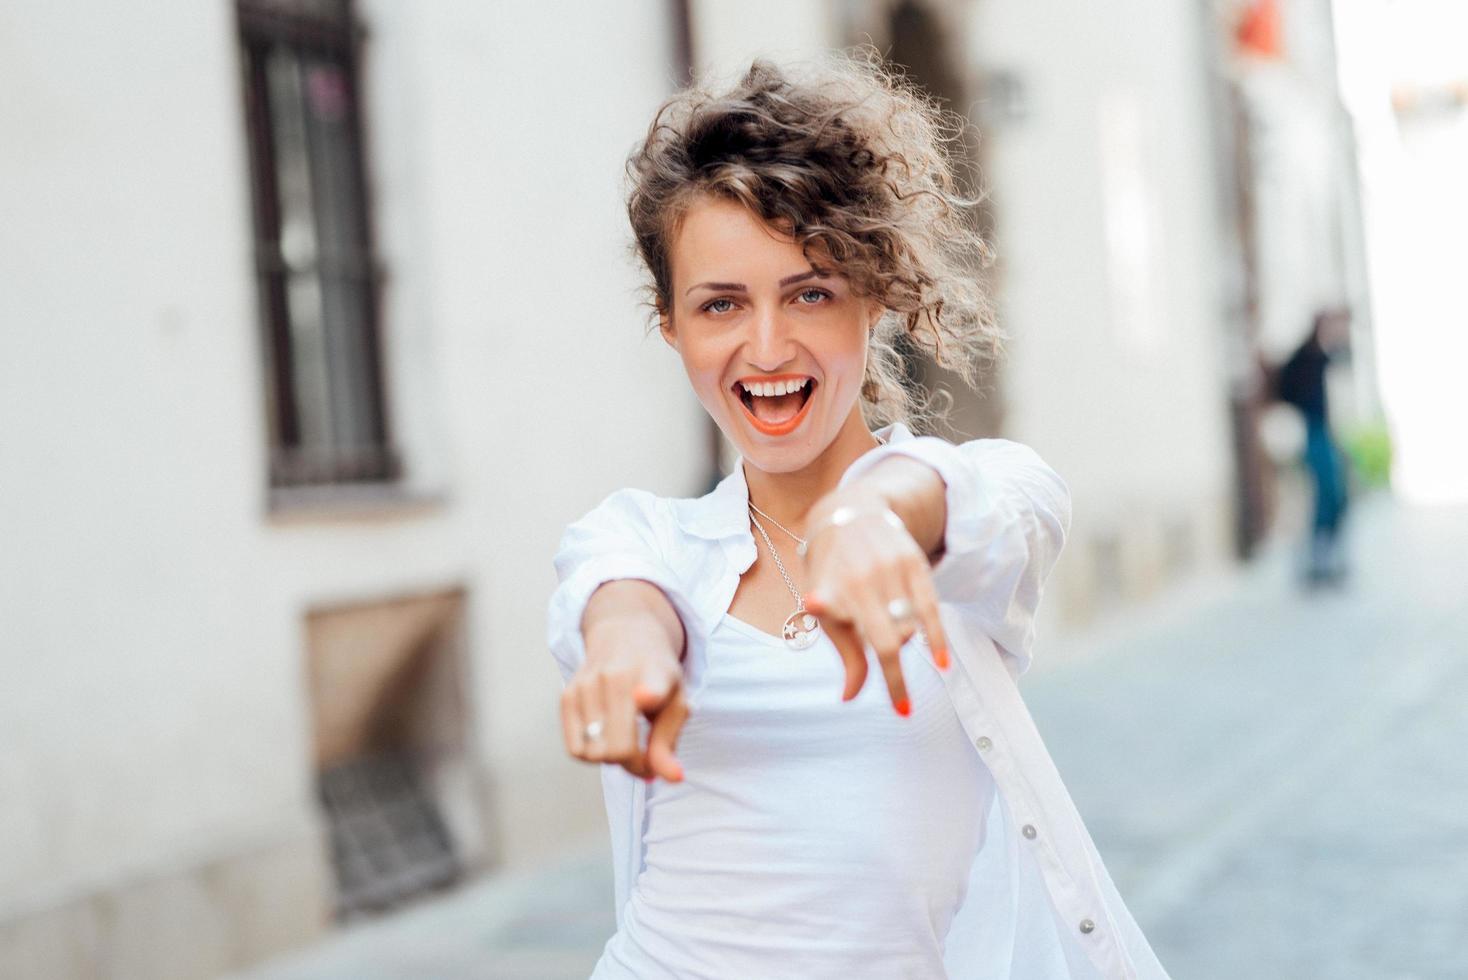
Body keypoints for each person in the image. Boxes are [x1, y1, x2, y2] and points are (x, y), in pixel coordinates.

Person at [547, 50, 1170, 979]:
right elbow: (620, 602)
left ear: (872, 296)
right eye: (721, 304)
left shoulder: (980, 498)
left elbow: (976, 503)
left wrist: (877, 516)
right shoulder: (643, 540)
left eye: (810, 292)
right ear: (672, 324)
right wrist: (629, 659)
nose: (766, 346)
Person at [1274, 308, 1352, 586]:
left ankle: (1327, 556)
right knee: (1322, 494)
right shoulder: (1305, 358)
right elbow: (1283, 389)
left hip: (1325, 433)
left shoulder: (1323, 358)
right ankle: (1318, 559)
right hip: (1311, 432)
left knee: (1336, 495)